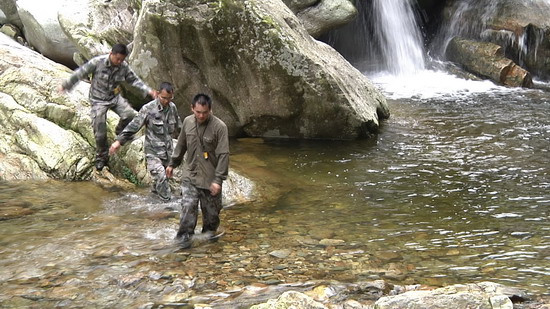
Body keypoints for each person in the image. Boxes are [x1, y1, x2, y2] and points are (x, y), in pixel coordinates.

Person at [59, 43, 158, 171]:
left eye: (122, 60)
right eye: (117, 59)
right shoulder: (97, 62)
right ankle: (101, 157)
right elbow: (80, 73)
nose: (119, 62)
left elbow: (134, 80)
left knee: (130, 115)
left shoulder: (123, 66)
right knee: (100, 132)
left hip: (114, 97)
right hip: (98, 100)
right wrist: (66, 85)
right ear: (111, 54)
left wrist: (149, 91)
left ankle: (120, 132)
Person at [166, 93, 229, 247]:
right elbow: (181, 145)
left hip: (210, 180)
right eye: (198, 112)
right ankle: (183, 243)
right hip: (191, 176)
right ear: (192, 108)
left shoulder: (220, 127)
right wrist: (172, 163)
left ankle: (209, 248)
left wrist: (218, 180)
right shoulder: (187, 122)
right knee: (188, 208)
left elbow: (223, 155)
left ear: (210, 110)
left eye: (205, 112)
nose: (201, 116)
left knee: (211, 219)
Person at [109, 82, 182, 201]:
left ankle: (154, 210)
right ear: (158, 94)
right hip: (152, 153)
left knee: (158, 185)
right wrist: (118, 142)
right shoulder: (148, 109)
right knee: (160, 177)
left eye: (169, 98)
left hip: (168, 154)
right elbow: (133, 126)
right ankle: (169, 207)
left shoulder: (172, 108)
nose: (166, 101)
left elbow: (180, 128)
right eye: (164, 98)